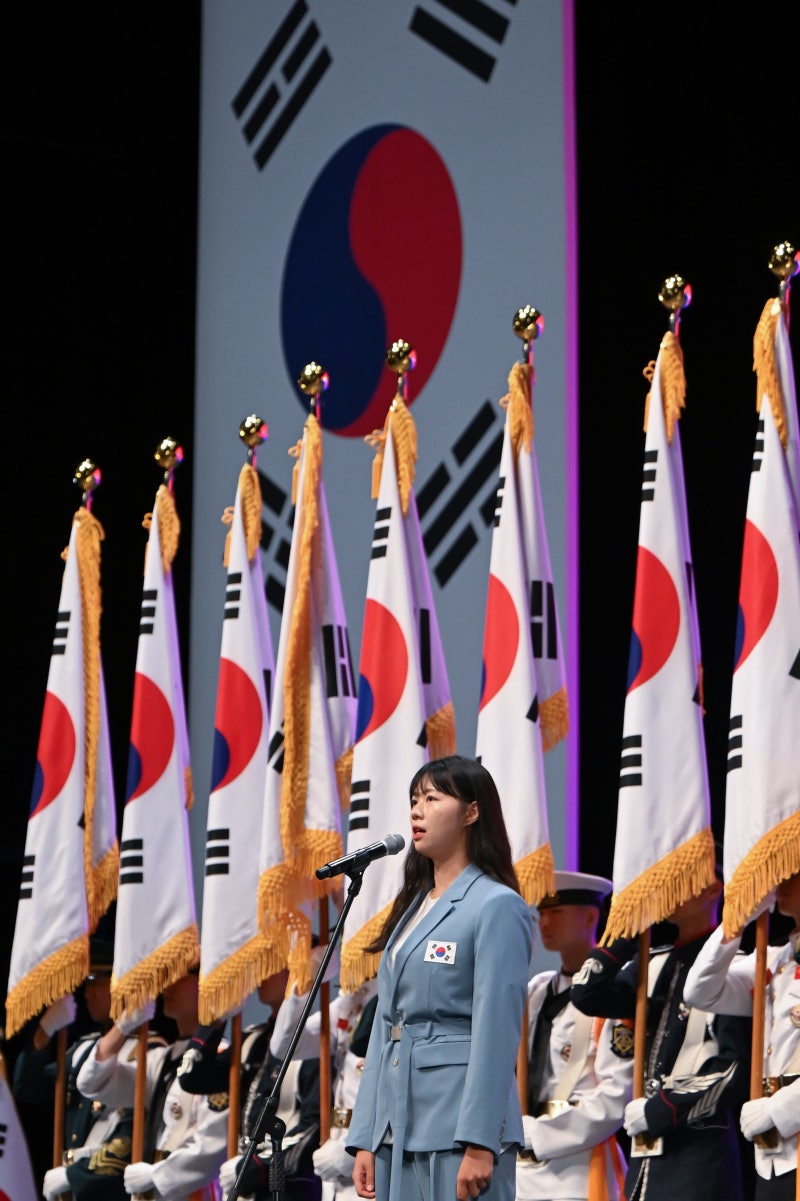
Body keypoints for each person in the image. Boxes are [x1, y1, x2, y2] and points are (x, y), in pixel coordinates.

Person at [346, 754, 534, 1201]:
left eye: (432, 798)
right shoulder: (413, 906)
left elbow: (496, 1031)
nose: (417, 810)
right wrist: (367, 1135)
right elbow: (385, 1030)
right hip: (398, 1123)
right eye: (414, 799)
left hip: (456, 1126)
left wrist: (481, 1140)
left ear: (471, 812)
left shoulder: (495, 905)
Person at [570, 876, 751, 1201]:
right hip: (646, 1161)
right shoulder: (652, 963)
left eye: (681, 877)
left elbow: (733, 1069)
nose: (669, 890)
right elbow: (586, 995)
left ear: (712, 889)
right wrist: (625, 933)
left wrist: (661, 1109)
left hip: (698, 1155)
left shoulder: (734, 968)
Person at [13, 937, 163, 1201]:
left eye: (96, 980)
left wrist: (74, 1176)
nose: (87, 991)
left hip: (110, 1188)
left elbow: (130, 1136)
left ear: (120, 985)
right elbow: (28, 1086)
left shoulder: (144, 1050)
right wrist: (44, 1032)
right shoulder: (83, 1048)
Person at [684, 872, 800, 1199]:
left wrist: (779, 1109)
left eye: (795, 874)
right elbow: (699, 992)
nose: (780, 882)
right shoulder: (776, 958)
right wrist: (736, 920)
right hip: (774, 1154)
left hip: (783, 1121)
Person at [517, 871, 631, 1200]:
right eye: (542, 913)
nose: (545, 922)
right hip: (522, 1165)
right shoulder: (536, 990)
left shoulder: (615, 993)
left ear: (591, 916)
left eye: (557, 912)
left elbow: (615, 1096)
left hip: (578, 1167)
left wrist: (542, 1134)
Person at [77, 970, 227, 1201]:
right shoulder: (160, 1060)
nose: (168, 985)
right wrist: (124, 1025)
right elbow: (91, 1083)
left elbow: (213, 1144)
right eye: (167, 976)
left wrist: (157, 1175)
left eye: (182, 975)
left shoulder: (218, 1060)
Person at [180, 966, 325, 1201]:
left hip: (287, 1190)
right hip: (244, 1187)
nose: (262, 973)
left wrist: (252, 1167)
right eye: (262, 964)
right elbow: (192, 1077)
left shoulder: (314, 1044)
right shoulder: (251, 1040)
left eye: (274, 964)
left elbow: (314, 1129)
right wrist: (217, 1017)